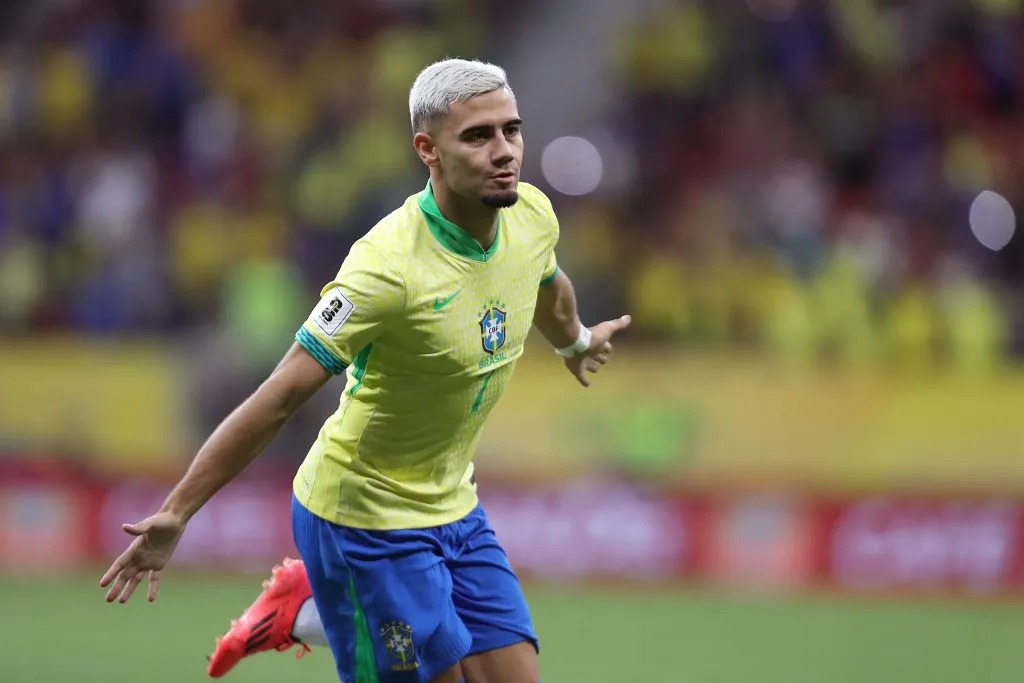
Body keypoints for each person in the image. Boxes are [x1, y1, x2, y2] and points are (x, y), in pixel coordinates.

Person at [100, 58, 631, 683]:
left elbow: (547, 282)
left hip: (452, 505)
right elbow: (280, 394)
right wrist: (179, 511)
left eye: (511, 131)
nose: (504, 151)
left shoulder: (531, 215)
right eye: (478, 136)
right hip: (363, 521)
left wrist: (572, 342)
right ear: (427, 150)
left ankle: (314, 609)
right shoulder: (385, 268)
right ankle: (321, 603)